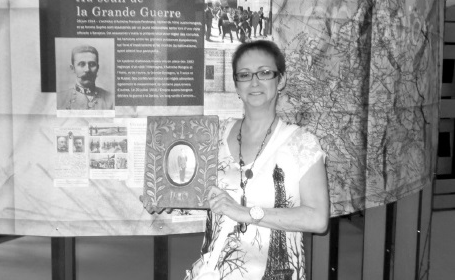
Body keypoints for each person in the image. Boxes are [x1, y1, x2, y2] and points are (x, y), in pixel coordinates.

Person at [141, 40, 329, 280]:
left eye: (264, 72)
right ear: (236, 85)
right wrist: (165, 196)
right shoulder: (215, 134)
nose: (254, 82)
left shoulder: (302, 143)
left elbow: (318, 219)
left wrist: (246, 213)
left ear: (280, 80)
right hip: (216, 271)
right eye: (244, 75)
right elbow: (195, 189)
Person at [57, 45, 114, 110]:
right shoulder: (59, 99)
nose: (87, 69)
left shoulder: (112, 100)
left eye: (92, 64)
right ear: (73, 68)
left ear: (97, 68)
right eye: (81, 64)